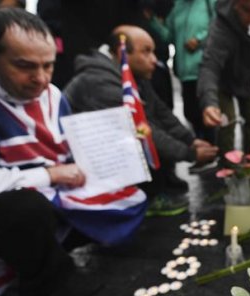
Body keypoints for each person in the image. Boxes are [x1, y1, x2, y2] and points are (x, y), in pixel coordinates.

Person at [0, 8, 154, 296]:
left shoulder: (52, 94)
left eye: (49, 66)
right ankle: (47, 280)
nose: (40, 80)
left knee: (131, 178)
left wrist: (115, 152)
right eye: (24, 66)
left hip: (49, 191)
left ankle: (50, 248)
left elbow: (71, 151)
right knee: (25, 210)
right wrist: (50, 175)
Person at [65, 26, 218, 215]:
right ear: (122, 52)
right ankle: (142, 197)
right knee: (145, 142)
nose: (154, 60)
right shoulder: (99, 81)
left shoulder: (130, 73)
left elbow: (162, 113)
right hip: (86, 162)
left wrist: (190, 140)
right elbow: (141, 130)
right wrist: (190, 154)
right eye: (146, 52)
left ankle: (156, 187)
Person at [198, 0, 250, 154]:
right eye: (246, 10)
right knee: (226, 123)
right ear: (235, 5)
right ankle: (228, 168)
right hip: (223, 80)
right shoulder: (221, 26)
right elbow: (210, 65)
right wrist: (209, 102)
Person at [148, 0, 217, 142]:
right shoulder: (177, 7)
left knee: (207, 111)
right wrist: (152, 20)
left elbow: (217, 26)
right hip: (184, 71)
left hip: (204, 69)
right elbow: (168, 36)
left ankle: (213, 148)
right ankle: (202, 147)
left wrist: (199, 40)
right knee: (190, 112)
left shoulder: (207, 3)